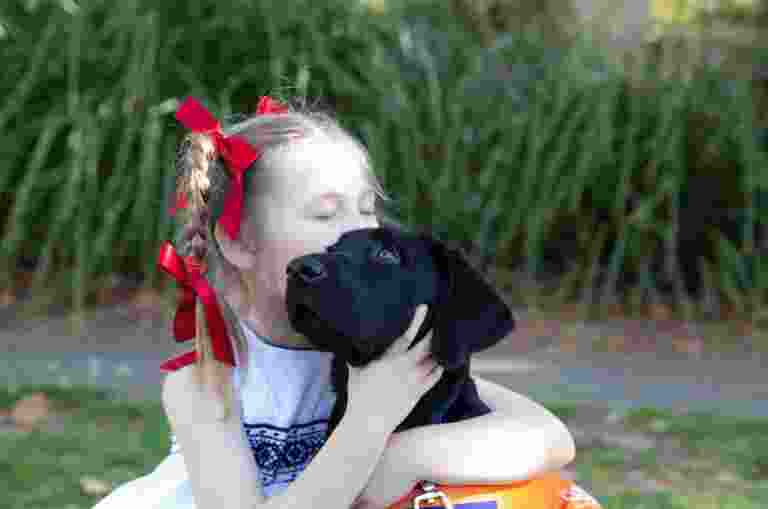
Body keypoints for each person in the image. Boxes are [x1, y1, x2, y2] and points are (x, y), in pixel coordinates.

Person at [91, 94, 577, 509]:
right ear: (239, 243)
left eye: (366, 210)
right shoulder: (206, 380)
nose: (357, 233)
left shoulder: (373, 349)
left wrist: (402, 455)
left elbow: (547, 438)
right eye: (325, 214)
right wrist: (368, 422)